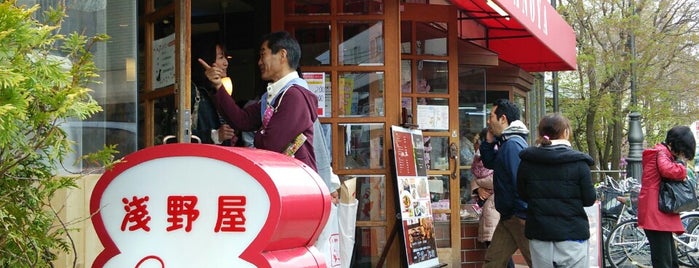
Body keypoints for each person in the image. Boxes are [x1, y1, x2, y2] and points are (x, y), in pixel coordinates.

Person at [200, 31, 318, 171]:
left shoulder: (295, 96)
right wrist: (218, 86)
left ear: (282, 55)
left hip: (297, 181)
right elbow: (241, 120)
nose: (259, 62)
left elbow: (270, 143)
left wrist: (260, 134)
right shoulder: (276, 96)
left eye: (263, 55)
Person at [517, 113, 596, 268]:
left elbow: (523, 194)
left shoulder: (528, 161)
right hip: (572, 235)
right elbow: (589, 199)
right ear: (565, 132)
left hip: (539, 234)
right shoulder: (579, 163)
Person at [479, 98, 531, 267]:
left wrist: (523, 214)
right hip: (509, 217)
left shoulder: (512, 145)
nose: (488, 121)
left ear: (503, 119)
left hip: (518, 217)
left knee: (537, 261)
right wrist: (488, 141)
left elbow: (520, 182)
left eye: (491, 116)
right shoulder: (507, 143)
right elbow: (489, 162)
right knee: (493, 262)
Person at [637, 125, 696, 268]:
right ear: (677, 144)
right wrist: (682, 166)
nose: (682, 155)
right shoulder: (660, 152)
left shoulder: (662, 152)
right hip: (655, 213)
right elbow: (668, 170)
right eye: (683, 151)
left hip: (657, 211)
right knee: (663, 261)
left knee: (670, 260)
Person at [470, 127, 515, 268]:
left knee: (498, 251)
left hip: (495, 208)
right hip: (491, 208)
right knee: (496, 251)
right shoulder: (482, 158)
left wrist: (477, 183)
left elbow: (498, 179)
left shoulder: (500, 154)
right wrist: (477, 187)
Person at [190, 35, 237, 145]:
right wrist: (215, 135)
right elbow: (179, 133)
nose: (226, 63)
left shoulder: (216, 91)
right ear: (207, 59)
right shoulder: (192, 92)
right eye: (221, 57)